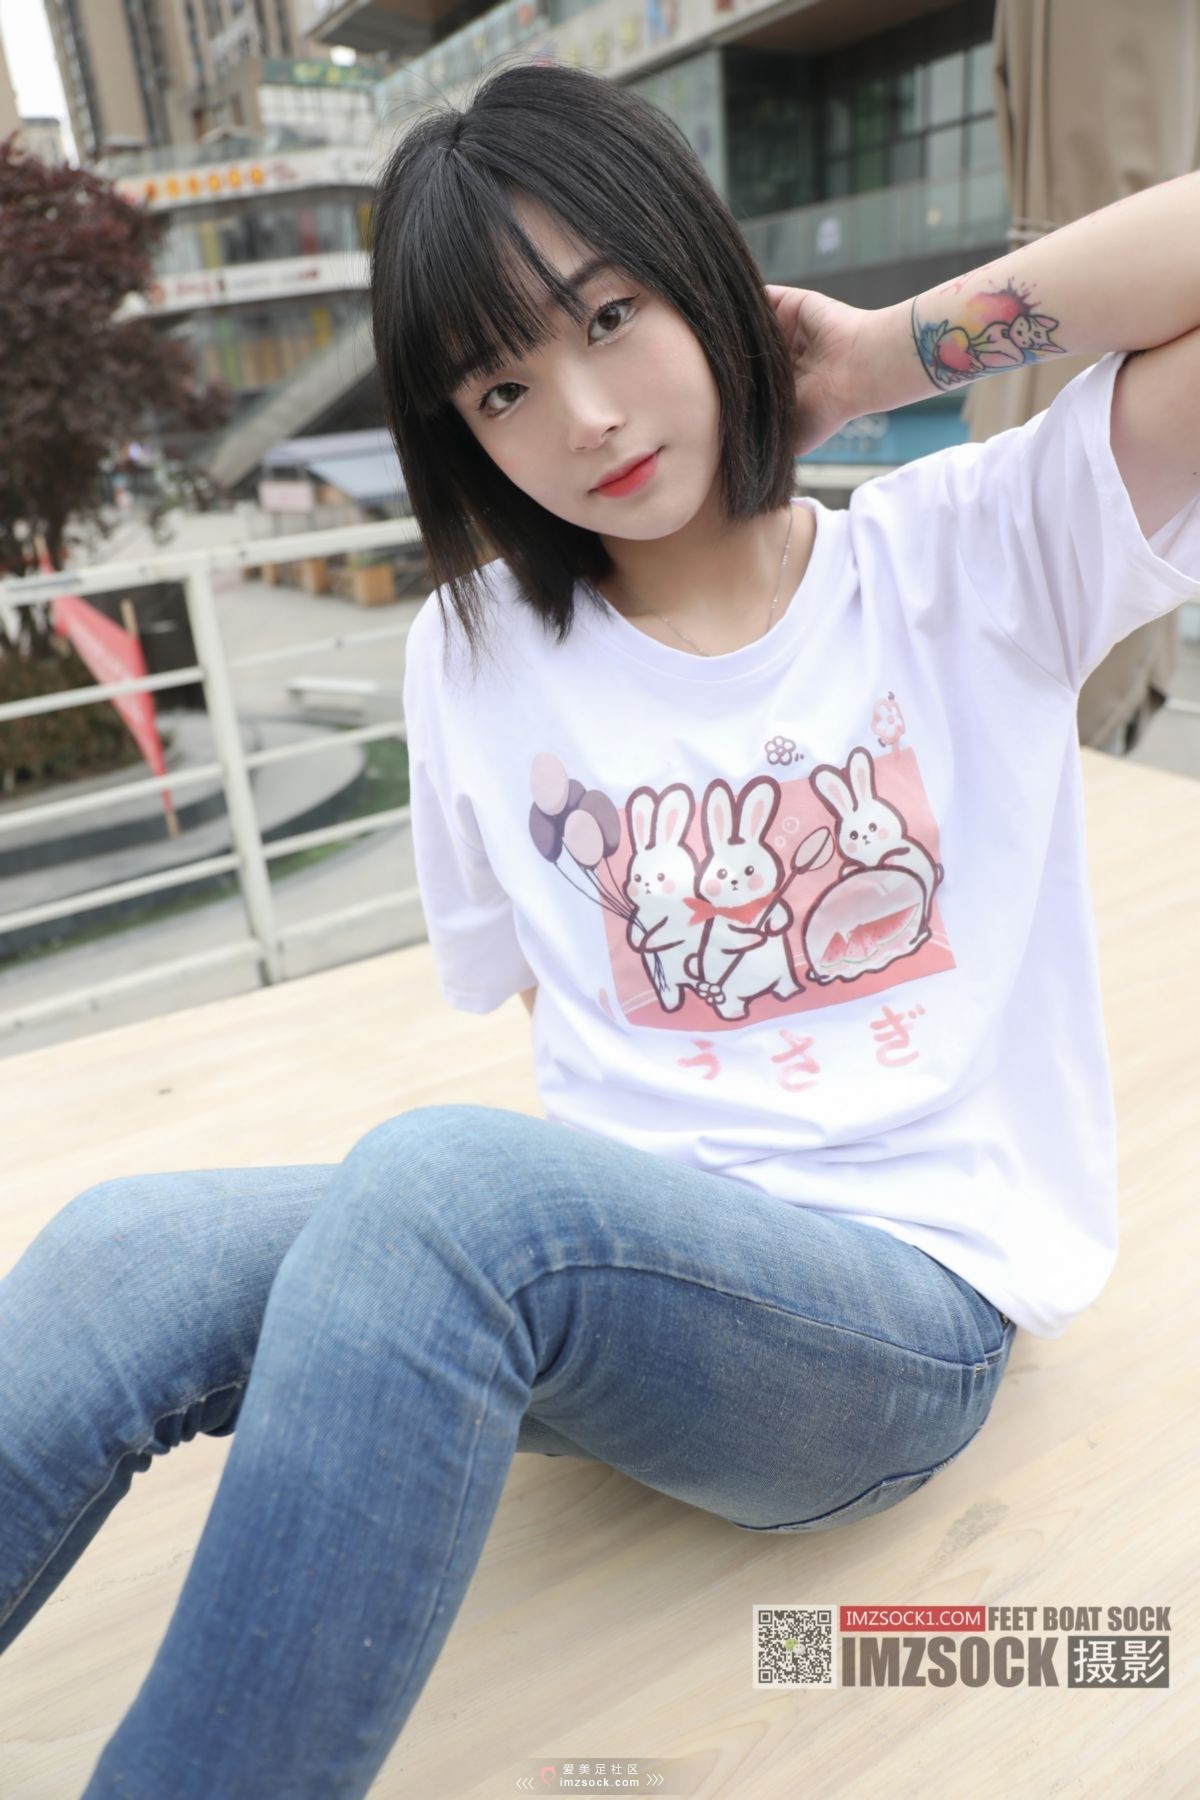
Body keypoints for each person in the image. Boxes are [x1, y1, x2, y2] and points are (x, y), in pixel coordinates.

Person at [4, 58, 1199, 1799]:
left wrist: (880, 356)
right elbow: (540, 1002)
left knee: (443, 1188)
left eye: (613, 315)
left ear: (708, 274)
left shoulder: (972, 552)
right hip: (612, 1300)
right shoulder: (471, 652)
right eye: (501, 385)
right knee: (125, 1252)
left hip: (899, 1315)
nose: (582, 416)